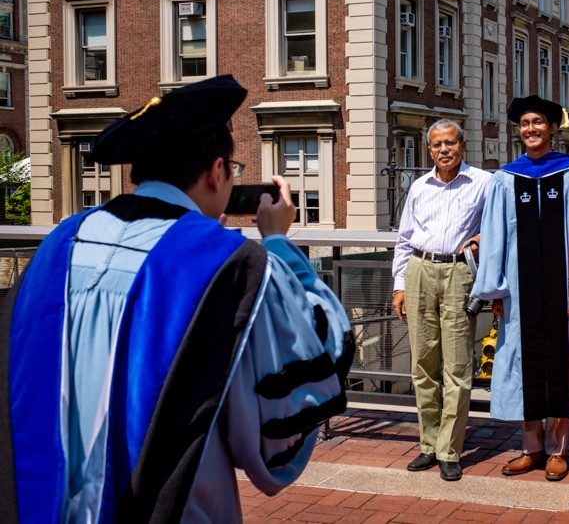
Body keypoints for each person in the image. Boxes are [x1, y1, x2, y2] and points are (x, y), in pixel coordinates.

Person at [0, 75, 354, 523]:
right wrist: (279, 244)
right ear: (216, 172)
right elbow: (286, 421)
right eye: (234, 170)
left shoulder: (60, 242)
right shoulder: (232, 265)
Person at [471, 95, 569, 482]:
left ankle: (559, 449)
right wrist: (494, 290)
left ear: (554, 128)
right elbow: (493, 238)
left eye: (538, 122)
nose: (531, 129)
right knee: (524, 364)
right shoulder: (506, 178)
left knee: (560, 361)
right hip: (520, 292)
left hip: (561, 288)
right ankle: (531, 447)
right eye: (525, 124)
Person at [390, 119, 492, 482]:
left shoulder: (483, 182)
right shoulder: (419, 186)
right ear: (429, 149)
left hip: (459, 274)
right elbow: (404, 239)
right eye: (436, 145)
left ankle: (450, 449)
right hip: (420, 269)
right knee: (422, 363)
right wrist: (399, 285)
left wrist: (481, 236)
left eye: (450, 143)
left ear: (462, 146)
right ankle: (428, 445)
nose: (443, 150)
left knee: (458, 366)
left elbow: (501, 222)